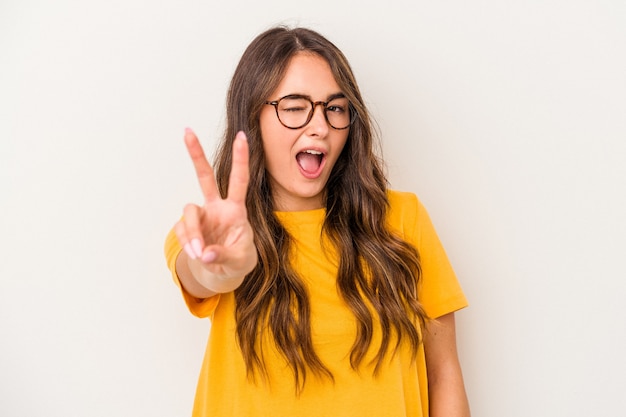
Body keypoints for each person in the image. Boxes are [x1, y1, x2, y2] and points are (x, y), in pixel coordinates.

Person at [164, 26, 471, 417]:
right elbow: (203, 275)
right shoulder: (212, 234)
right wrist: (219, 266)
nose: (320, 126)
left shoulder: (402, 219)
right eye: (294, 107)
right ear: (251, 117)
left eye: (336, 108)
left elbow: (443, 373)